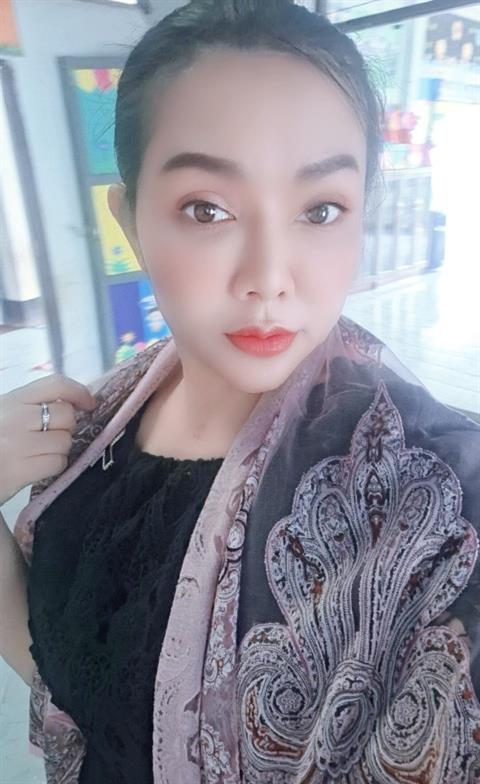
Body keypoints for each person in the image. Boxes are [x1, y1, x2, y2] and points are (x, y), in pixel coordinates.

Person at [0, 1, 479, 782]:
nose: (269, 277)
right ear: (131, 222)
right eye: (207, 209)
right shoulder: (96, 431)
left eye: (321, 210)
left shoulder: (431, 501)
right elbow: (74, 690)